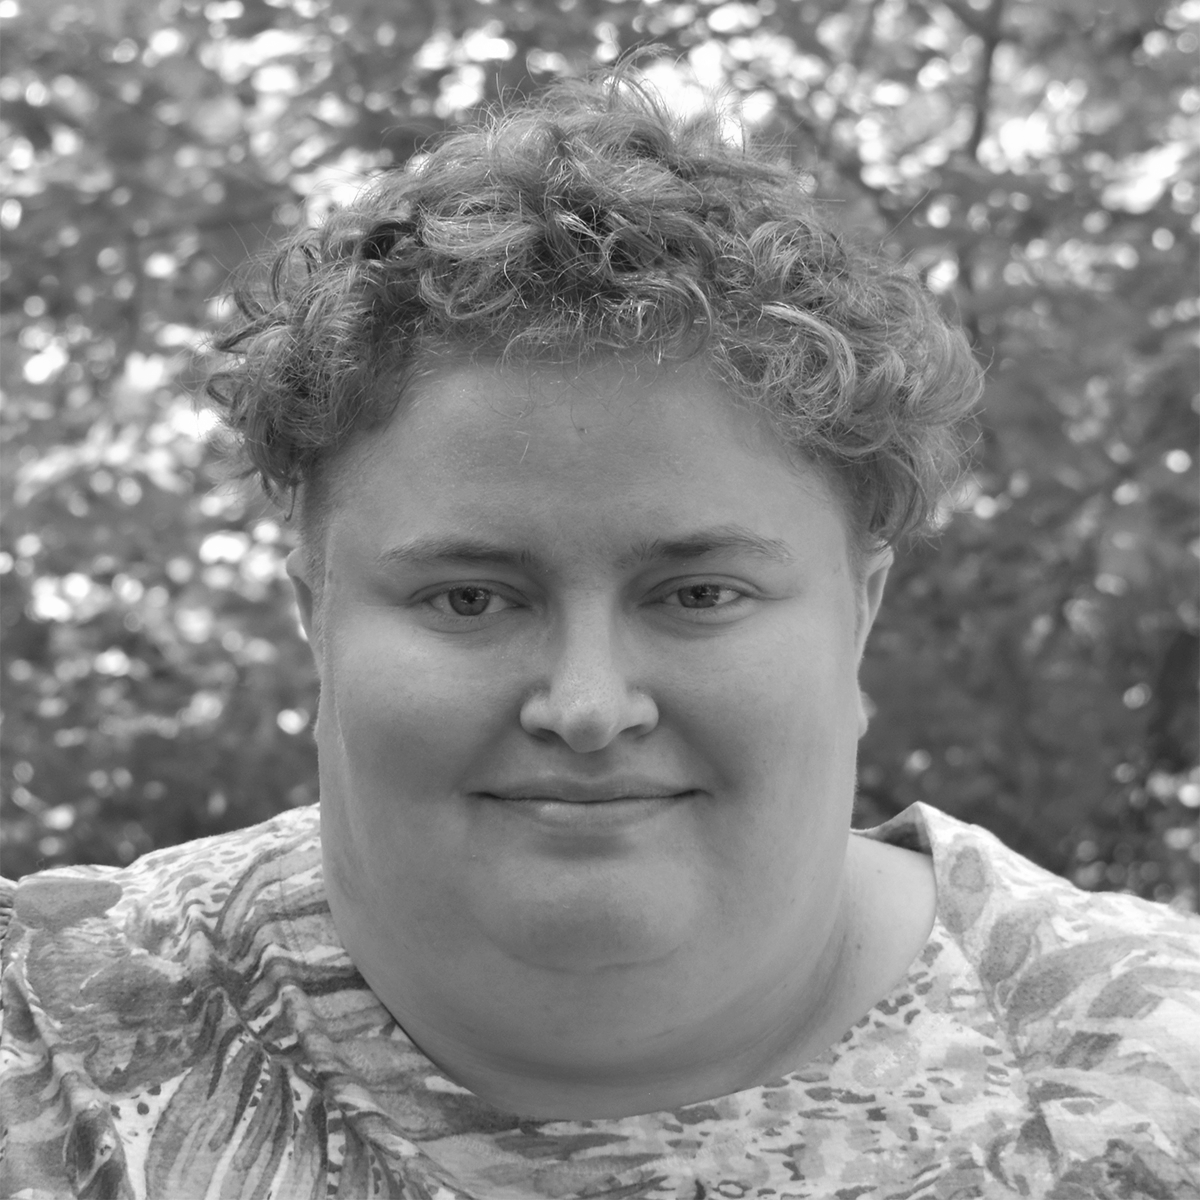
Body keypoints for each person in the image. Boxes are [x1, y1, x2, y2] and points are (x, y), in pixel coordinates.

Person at [2, 72, 1198, 1200]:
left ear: (860, 610)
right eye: (470, 598)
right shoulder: (47, 1048)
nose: (586, 706)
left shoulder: (1152, 1075)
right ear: (315, 613)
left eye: (700, 594)